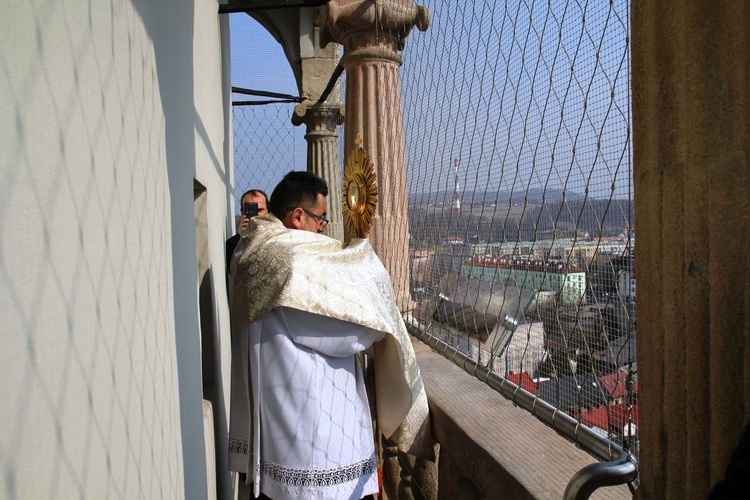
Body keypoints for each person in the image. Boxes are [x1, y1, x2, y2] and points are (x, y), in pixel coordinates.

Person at [228, 171, 429, 500]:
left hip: (277, 426)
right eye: (320, 219)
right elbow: (344, 335)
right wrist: (368, 276)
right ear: (297, 217)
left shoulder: (249, 250)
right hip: (312, 440)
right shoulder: (291, 261)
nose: (323, 227)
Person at [226, 189, 268, 274]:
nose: (256, 215)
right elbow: (235, 272)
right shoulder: (232, 244)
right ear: (242, 212)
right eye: (251, 210)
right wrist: (241, 241)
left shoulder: (278, 237)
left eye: (260, 210)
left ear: (268, 211)